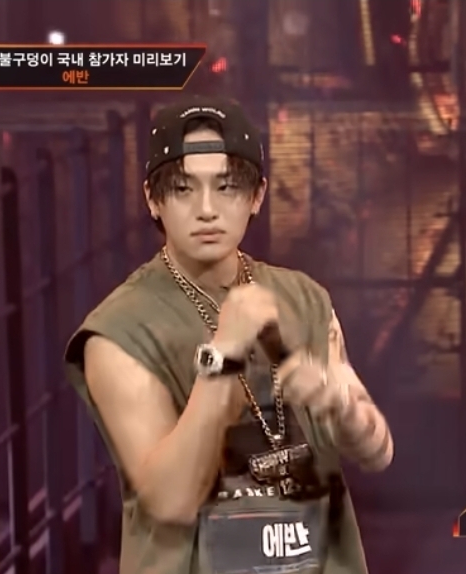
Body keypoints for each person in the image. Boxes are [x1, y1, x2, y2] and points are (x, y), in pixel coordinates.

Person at [64, 96, 394, 574]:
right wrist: (224, 355)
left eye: (226, 187)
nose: (207, 210)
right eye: (183, 189)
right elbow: (171, 501)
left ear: (256, 196)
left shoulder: (304, 298)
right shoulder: (118, 332)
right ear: (153, 199)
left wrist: (341, 406)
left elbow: (379, 451)